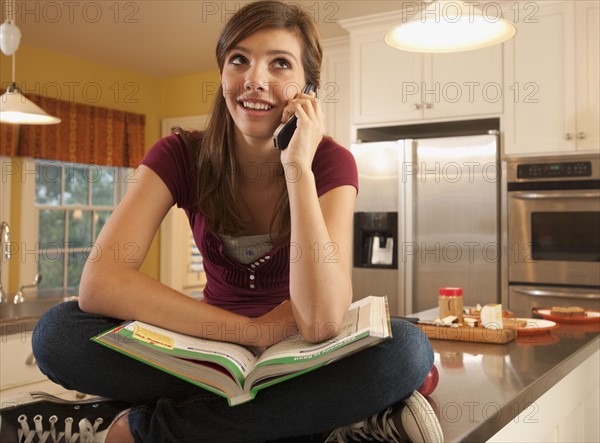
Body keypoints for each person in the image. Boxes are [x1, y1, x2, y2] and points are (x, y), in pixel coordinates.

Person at [0, 1, 442, 442]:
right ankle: (312, 423)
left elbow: (322, 321)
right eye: (239, 60)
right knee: (58, 332)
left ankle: (144, 429)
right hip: (205, 351)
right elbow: (101, 282)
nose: (255, 80)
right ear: (223, 74)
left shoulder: (329, 163)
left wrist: (297, 170)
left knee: (406, 350)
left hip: (299, 356)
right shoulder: (179, 155)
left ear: (307, 89)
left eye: (280, 64)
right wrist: (247, 333)